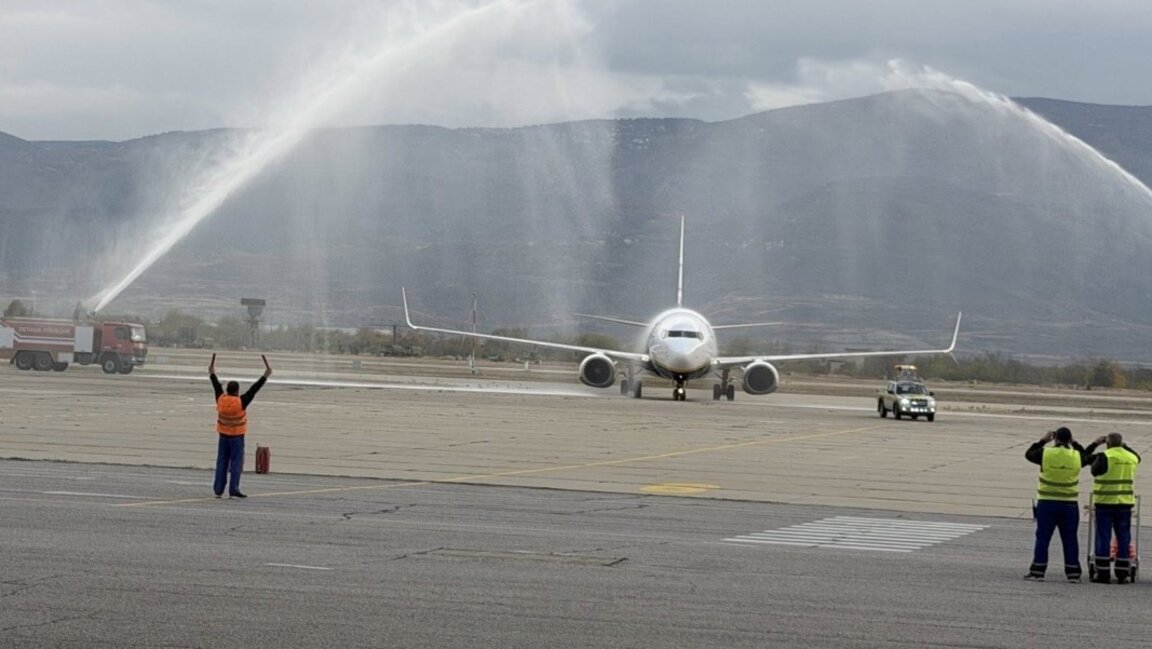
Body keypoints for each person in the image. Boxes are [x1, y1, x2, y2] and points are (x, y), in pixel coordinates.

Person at [1023, 427, 1089, 582]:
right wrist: (1075, 443)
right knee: (1070, 539)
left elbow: (1029, 454)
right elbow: (1087, 456)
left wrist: (1043, 441)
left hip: (1047, 502)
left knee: (1043, 537)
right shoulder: (1076, 456)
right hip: (1069, 504)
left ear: (1055, 438)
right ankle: (1073, 573)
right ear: (1069, 439)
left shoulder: (1046, 453)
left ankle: (1038, 571)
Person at [209, 353, 272, 498]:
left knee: (222, 462)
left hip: (223, 436)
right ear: (237, 391)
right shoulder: (241, 402)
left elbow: (215, 385)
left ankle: (218, 489)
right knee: (236, 463)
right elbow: (254, 389)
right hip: (237, 437)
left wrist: (212, 372)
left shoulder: (221, 399)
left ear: (227, 390)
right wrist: (265, 375)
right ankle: (233, 489)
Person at [1085, 432, 1141, 584]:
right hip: (1124, 504)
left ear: (1107, 444)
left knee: (1103, 536)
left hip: (1105, 502)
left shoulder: (1104, 456)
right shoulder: (1131, 457)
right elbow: (1137, 457)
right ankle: (1122, 571)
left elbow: (1092, 468)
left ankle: (1103, 572)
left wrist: (1096, 444)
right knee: (1123, 536)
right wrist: (1123, 446)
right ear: (1122, 444)